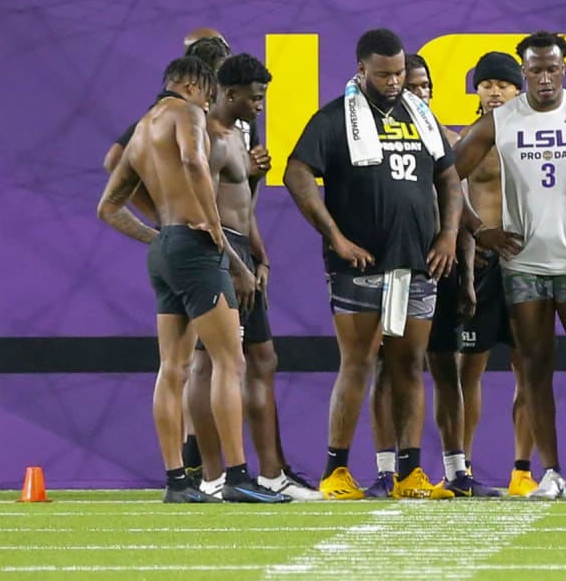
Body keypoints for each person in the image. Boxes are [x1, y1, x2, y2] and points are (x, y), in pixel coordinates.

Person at [96, 57, 289, 503]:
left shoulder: (143, 128)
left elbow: (108, 206)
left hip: (165, 250)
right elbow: (193, 161)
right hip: (197, 249)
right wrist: (212, 225)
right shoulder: (186, 114)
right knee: (230, 362)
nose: (207, 100)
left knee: (173, 369)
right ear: (186, 83)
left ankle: (177, 483)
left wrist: (159, 237)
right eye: (204, 90)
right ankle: (239, 478)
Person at [284, 28, 460, 500]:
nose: (394, 82)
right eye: (384, 74)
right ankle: (335, 471)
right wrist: (336, 237)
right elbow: (296, 172)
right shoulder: (336, 117)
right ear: (361, 69)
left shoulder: (421, 114)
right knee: (358, 364)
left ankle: (410, 474)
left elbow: (449, 178)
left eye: (400, 72)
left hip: (416, 262)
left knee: (409, 367)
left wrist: (446, 234)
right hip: (360, 264)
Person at [453, 32, 566, 500]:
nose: (545, 77)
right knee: (534, 369)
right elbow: (448, 172)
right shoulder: (501, 119)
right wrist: (476, 227)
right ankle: (551, 473)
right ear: (523, 71)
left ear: (564, 69)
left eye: (553, 68)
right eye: (535, 69)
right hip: (523, 263)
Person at [182, 54, 321, 501]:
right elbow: (202, 213)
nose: (260, 105)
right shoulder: (207, 139)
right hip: (216, 257)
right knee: (206, 364)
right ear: (229, 94)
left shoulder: (238, 137)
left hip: (241, 252)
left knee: (262, 361)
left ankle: (271, 475)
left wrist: (260, 256)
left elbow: (242, 206)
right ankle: (214, 477)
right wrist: (237, 265)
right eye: (255, 98)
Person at [364, 53, 498, 498]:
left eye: (425, 87)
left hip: (441, 272)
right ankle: (388, 471)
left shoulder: (445, 141)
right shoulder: (377, 137)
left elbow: (457, 211)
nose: (418, 93)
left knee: (447, 371)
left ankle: (457, 471)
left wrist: (463, 279)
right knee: (389, 367)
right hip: (395, 269)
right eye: (411, 85)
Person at [457, 52, 537, 497]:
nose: (493, 91)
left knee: (529, 370)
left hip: (527, 265)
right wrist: (477, 232)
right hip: (483, 267)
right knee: (469, 369)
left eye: (502, 84)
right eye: (485, 83)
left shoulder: (537, 134)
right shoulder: (469, 138)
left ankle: (522, 470)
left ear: (517, 88)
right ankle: (461, 466)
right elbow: (447, 186)